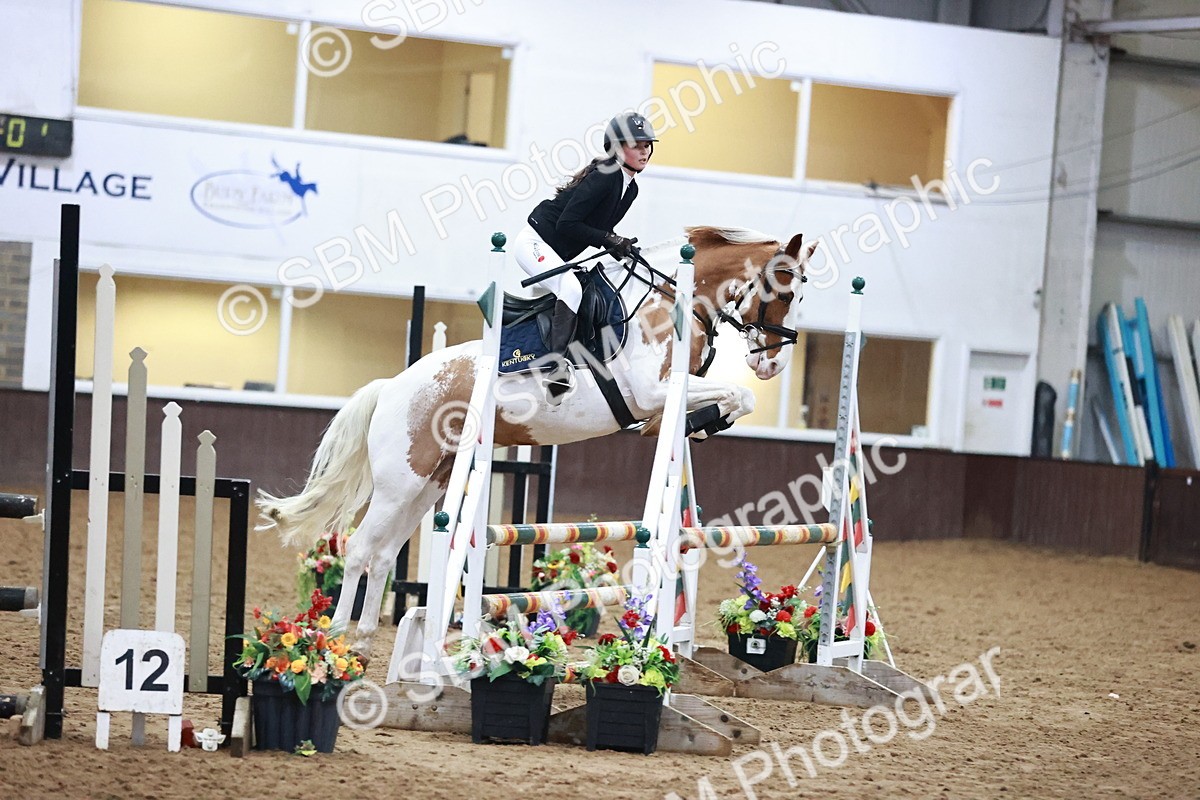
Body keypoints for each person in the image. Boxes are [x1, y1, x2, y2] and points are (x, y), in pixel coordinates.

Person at [512, 111, 657, 398]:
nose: (644, 151)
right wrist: (609, 239)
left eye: (647, 145)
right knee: (570, 287)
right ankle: (556, 366)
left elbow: (600, 227)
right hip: (534, 244)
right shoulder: (606, 175)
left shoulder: (630, 188)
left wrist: (619, 247)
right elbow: (569, 223)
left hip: (557, 252)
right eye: (636, 145)